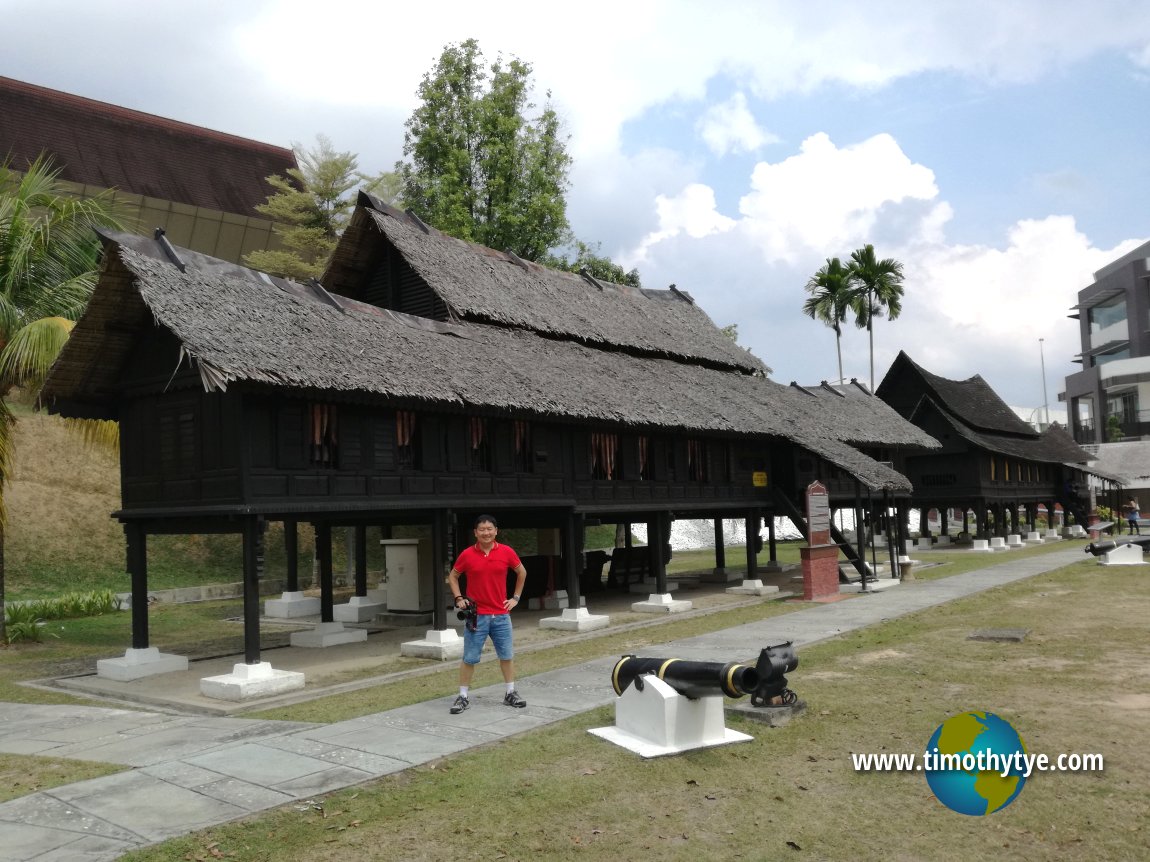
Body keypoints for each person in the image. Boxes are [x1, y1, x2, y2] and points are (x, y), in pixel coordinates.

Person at [447, 514, 528, 714]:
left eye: (489, 529)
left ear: (496, 531)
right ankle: (463, 696)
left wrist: (515, 598)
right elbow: (453, 576)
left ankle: (510, 693)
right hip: (477, 615)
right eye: (482, 529)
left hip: (501, 614)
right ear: (475, 533)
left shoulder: (506, 552)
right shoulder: (467, 554)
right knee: (470, 658)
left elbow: (522, 572)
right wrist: (459, 598)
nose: (486, 533)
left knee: (507, 655)